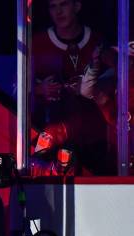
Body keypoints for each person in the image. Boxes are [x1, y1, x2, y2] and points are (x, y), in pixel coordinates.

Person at [32, 0, 111, 175]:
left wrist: (95, 90)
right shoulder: (37, 43)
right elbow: (17, 88)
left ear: (77, 6)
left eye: (64, 4)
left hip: (94, 136)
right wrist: (40, 89)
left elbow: (114, 84)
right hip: (54, 136)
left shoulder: (97, 41)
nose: (58, 11)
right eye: (53, 6)